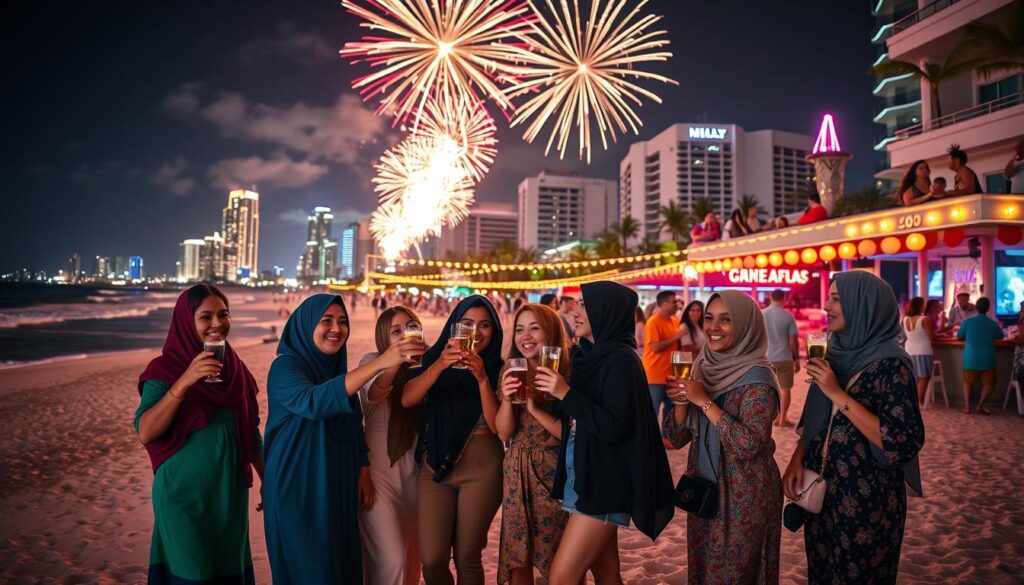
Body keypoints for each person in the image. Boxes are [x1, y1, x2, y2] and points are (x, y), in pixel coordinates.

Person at [262, 294, 422, 584]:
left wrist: (363, 469)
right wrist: (380, 363)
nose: (336, 328)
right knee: (310, 569)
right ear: (306, 325)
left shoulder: (336, 371)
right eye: (326, 321)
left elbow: (353, 423)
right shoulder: (285, 367)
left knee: (340, 566)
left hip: (337, 482)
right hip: (299, 484)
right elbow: (313, 402)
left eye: (342, 322)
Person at [783, 271, 925, 585]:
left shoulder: (892, 365)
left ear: (864, 305)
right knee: (821, 572)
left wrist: (836, 392)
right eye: (829, 297)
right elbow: (818, 418)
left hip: (867, 499)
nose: (826, 306)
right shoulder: (834, 352)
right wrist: (797, 459)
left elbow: (902, 442)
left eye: (836, 299)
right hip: (822, 489)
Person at [534, 281, 675, 585]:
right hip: (582, 472)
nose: (575, 311)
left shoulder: (622, 361)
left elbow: (613, 427)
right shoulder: (587, 356)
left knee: (561, 577)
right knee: (606, 572)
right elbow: (577, 418)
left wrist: (565, 392)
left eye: (584, 304)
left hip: (605, 482)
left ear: (605, 311)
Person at [135, 285, 262, 584]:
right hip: (181, 497)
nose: (217, 323)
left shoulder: (237, 372)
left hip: (229, 496)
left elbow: (251, 433)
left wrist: (270, 481)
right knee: (192, 575)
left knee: (226, 571)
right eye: (206, 316)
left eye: (224, 314)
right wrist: (185, 381)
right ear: (186, 321)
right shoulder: (165, 369)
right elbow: (146, 431)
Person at [663, 291, 783, 584]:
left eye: (726, 320)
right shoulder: (703, 366)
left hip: (745, 493)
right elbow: (675, 439)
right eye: (709, 318)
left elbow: (749, 444)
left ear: (745, 325)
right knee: (704, 570)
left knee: (736, 574)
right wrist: (681, 404)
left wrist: (703, 401)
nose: (714, 327)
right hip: (705, 488)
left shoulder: (758, 378)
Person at [402, 295, 505, 585]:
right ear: (454, 327)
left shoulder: (500, 367)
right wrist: (439, 366)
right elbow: (408, 398)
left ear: (494, 331)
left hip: (483, 464)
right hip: (435, 462)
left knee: (467, 556)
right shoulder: (436, 357)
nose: (476, 332)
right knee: (432, 559)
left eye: (485, 325)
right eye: (468, 324)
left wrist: (483, 378)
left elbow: (499, 427)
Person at [495, 304, 572, 585]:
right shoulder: (511, 368)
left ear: (550, 331)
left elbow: (570, 433)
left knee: (559, 560)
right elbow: (504, 433)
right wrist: (505, 398)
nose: (525, 336)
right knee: (519, 558)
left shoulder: (565, 369)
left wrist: (536, 409)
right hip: (516, 470)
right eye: (519, 329)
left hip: (556, 471)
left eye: (534, 327)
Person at [357, 307, 429, 585]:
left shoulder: (427, 369)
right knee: (392, 560)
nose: (404, 335)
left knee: (412, 563)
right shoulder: (372, 361)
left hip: (418, 477)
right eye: (395, 331)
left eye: (411, 327)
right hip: (379, 478)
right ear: (383, 337)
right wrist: (395, 361)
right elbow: (376, 390)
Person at [957, 297, 1005, 415]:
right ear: (988, 309)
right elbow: (1001, 336)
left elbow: (959, 336)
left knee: (967, 382)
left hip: (970, 358)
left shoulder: (967, 322)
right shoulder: (992, 323)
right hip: (987, 359)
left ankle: (967, 407)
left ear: (976, 307)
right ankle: (980, 405)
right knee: (989, 383)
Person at [642, 290, 683, 422]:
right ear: (664, 305)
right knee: (651, 413)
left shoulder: (675, 321)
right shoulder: (653, 322)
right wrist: (677, 336)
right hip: (655, 376)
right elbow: (655, 347)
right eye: (673, 302)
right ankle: (649, 442)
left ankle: (667, 441)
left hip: (671, 376)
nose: (677, 304)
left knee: (670, 415)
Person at [762, 289, 800, 426]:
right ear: (784, 298)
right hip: (784, 357)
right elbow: (793, 341)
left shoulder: (761, 314)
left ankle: (767, 418)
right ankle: (782, 418)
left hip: (766, 358)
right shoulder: (788, 316)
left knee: (767, 389)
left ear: (770, 297)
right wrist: (796, 359)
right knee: (785, 388)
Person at [902, 297, 936, 407]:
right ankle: (917, 403)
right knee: (924, 377)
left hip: (909, 350)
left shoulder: (905, 319)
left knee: (914, 378)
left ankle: (913, 401)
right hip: (923, 350)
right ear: (921, 306)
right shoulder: (924, 319)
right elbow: (932, 336)